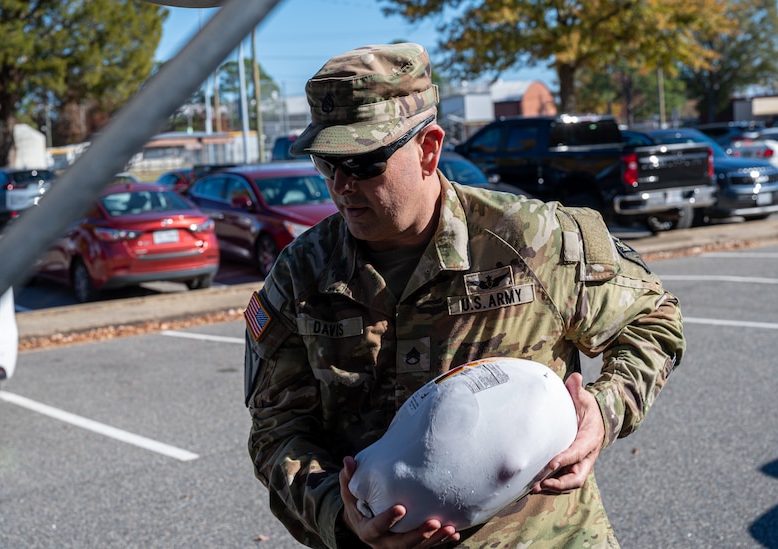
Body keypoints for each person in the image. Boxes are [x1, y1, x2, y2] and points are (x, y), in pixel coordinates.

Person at [244, 42, 685, 549]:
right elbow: (276, 431)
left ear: (428, 148)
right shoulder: (301, 276)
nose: (341, 184)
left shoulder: (533, 240)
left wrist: (603, 414)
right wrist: (340, 517)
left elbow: (652, 318)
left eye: (365, 163)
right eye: (327, 162)